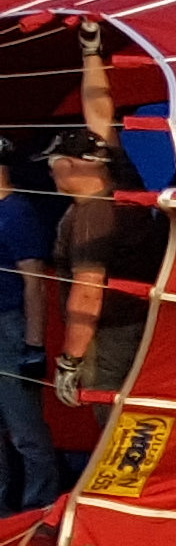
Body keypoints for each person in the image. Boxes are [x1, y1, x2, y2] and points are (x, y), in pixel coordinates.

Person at [41, 126, 139, 408]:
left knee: (111, 417)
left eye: (52, 163)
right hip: (142, 327)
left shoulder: (90, 216)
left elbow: (88, 292)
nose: (50, 173)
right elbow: (102, 119)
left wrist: (70, 361)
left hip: (109, 338)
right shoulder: (126, 189)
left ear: (70, 164)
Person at [0, 144, 65, 507]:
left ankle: (38, 505)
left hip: (9, 326)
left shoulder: (17, 213)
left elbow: (34, 282)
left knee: (24, 427)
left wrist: (34, 343)